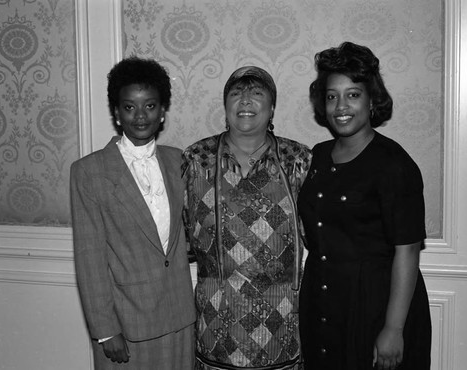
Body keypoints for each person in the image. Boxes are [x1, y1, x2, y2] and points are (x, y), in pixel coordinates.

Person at [298, 41, 432, 370]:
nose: (341, 106)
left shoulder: (393, 164)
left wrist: (393, 329)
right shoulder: (317, 156)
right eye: (332, 96)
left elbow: (408, 250)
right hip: (324, 303)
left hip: (377, 307)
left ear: (372, 100)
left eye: (353, 94)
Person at [182, 66, 312, 369]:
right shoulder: (197, 158)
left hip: (282, 319)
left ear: (272, 107)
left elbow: (317, 237)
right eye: (236, 93)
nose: (245, 100)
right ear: (226, 105)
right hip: (217, 319)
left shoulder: (298, 160)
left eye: (256, 93)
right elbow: (182, 235)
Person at [70, 57, 196, 369]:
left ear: (163, 111)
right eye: (129, 107)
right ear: (116, 112)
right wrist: (105, 330)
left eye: (150, 106)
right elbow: (90, 259)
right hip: (125, 325)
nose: (140, 116)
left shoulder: (179, 161)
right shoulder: (89, 171)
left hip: (180, 318)